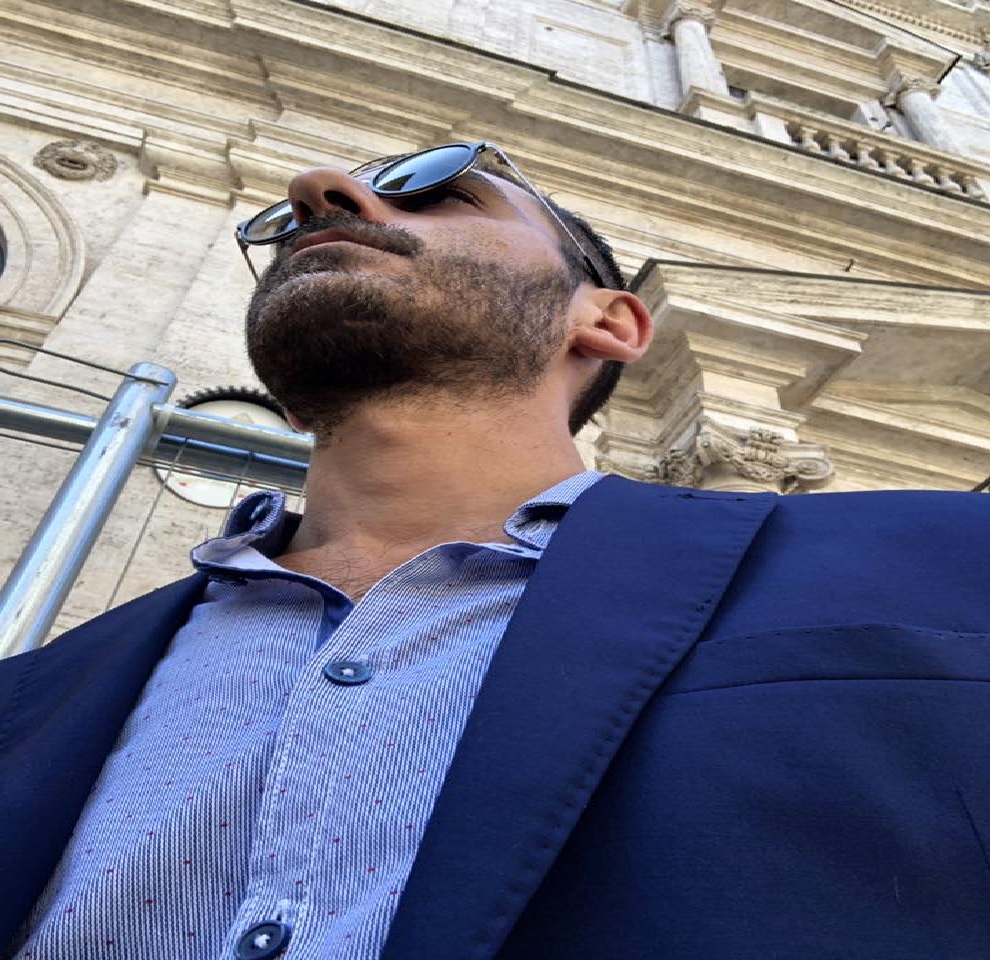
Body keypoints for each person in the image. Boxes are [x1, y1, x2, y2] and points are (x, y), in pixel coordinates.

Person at [2, 141, 989, 960]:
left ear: (609, 321)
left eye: (440, 190)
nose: (316, 190)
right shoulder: (32, 695)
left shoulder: (949, 566)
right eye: (284, 226)